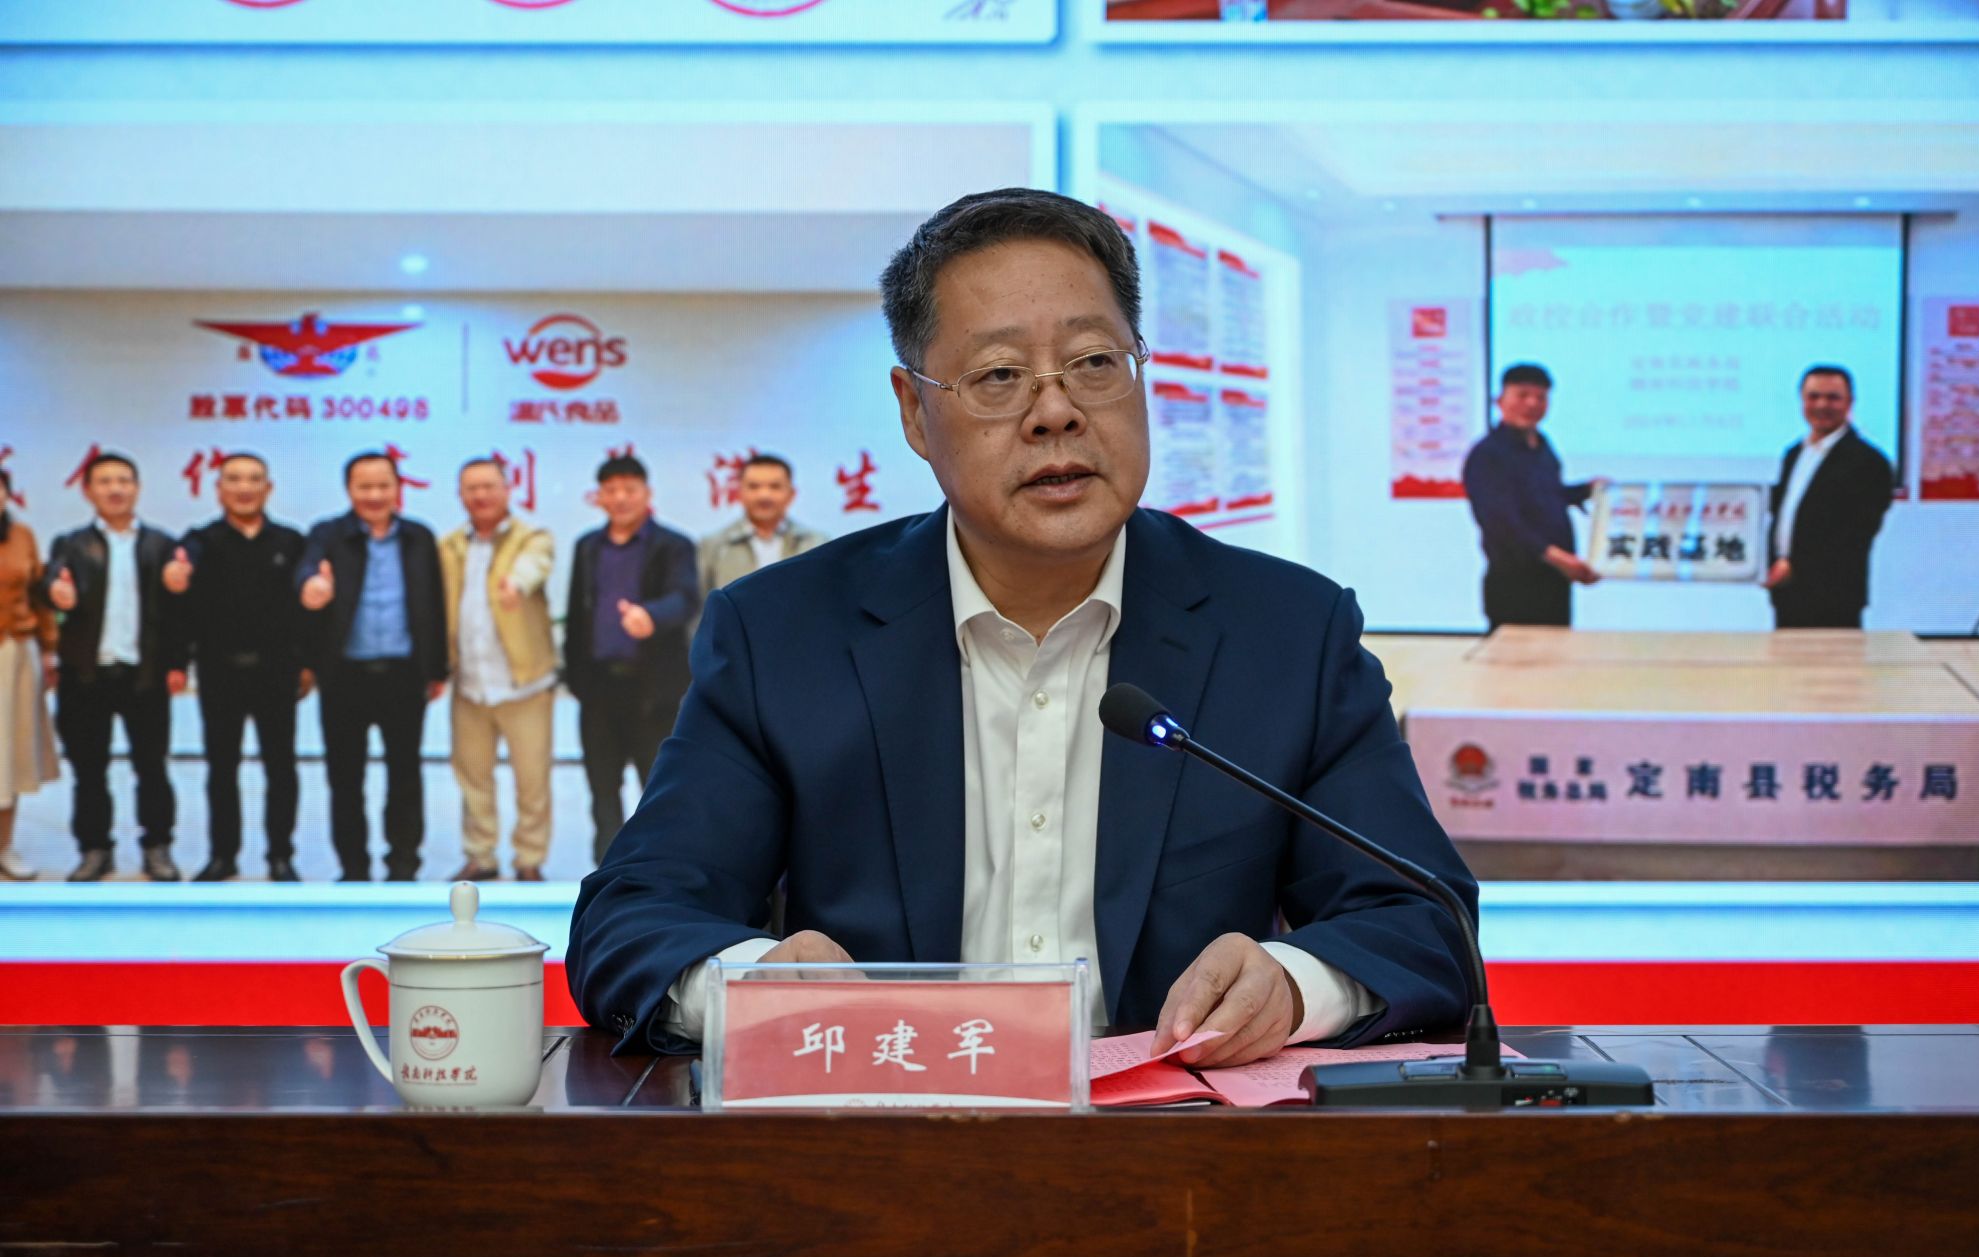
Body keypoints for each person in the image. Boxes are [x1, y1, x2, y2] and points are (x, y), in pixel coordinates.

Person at [569, 188, 1478, 1064]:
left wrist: (1292, 985)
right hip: (886, 1133)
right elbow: (634, 918)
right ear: (914, 411)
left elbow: (1423, 921)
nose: (1057, 412)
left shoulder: (1287, 634)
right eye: (1000, 376)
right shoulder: (783, 635)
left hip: (1174, 1147)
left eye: (1094, 363)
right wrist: (756, 981)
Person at [298, 450, 447, 882]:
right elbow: (307, 570)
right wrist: (312, 585)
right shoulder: (328, 534)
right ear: (349, 490)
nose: (375, 495)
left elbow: (434, 603)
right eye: (365, 487)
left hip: (404, 674)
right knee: (345, 778)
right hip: (344, 675)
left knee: (406, 774)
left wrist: (437, 669)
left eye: (383, 486)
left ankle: (403, 865)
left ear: (398, 488)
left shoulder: (419, 537)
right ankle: (353, 868)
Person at [164, 452, 311, 883]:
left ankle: (280, 856)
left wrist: (307, 664)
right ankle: (222, 855)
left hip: (276, 672)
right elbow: (180, 610)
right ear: (219, 489)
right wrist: (177, 662)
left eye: (253, 479)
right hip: (220, 672)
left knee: (281, 767)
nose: (244, 487)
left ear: (269, 488)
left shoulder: (291, 542)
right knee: (221, 768)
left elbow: (305, 613)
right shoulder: (200, 541)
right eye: (234, 479)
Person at [39, 452, 182, 882]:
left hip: (144, 674)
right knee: (89, 772)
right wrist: (55, 594)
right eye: (104, 482)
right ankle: (95, 850)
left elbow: (178, 614)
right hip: (85, 675)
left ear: (137, 488)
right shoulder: (70, 544)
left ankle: (157, 848)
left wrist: (177, 663)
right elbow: (49, 586)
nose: (115, 489)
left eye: (123, 480)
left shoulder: (161, 544)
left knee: (152, 769)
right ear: (88, 491)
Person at [562, 453, 700, 865]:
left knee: (658, 788)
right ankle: (607, 872)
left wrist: (651, 616)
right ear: (599, 497)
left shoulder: (673, 545)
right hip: (599, 689)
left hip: (653, 690)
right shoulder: (587, 546)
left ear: (647, 493)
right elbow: (576, 614)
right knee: (602, 788)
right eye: (611, 490)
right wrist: (575, 679)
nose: (620, 498)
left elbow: (685, 598)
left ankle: (662, 870)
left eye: (629, 489)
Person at [439, 458, 557, 883]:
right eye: (471, 488)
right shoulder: (449, 546)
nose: (481, 495)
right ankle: (481, 856)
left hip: (525, 685)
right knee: (473, 779)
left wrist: (516, 585)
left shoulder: (532, 537)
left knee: (532, 781)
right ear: (460, 495)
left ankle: (529, 859)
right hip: (469, 684)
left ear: (508, 490)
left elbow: (535, 564)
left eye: (489, 486)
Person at [1461, 363, 1603, 631]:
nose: (1532, 404)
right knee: (1514, 656)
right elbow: (1501, 522)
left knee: (1556, 652)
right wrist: (1556, 557)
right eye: (1522, 395)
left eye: (1541, 397)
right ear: (1500, 401)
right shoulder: (1488, 455)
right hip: (1514, 582)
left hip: (1554, 579)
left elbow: (1547, 496)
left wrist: (1587, 490)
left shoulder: (1542, 445)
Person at [1764, 365, 1894, 630]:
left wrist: (1795, 566)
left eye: (1833, 398)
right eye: (1813, 397)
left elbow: (1854, 535)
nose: (1822, 405)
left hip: (1834, 597)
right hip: (1786, 594)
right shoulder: (1794, 454)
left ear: (1849, 403)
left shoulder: (1869, 462)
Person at [0, 466, 60, 879]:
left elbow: (39, 596)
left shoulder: (22, 536)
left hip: (15, 654)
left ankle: (3, 846)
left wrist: (50, 648)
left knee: (10, 755)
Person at [699, 452, 830, 593]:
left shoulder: (816, 543)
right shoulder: (714, 546)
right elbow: (701, 602)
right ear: (739, 493)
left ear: (792, 494)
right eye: (754, 486)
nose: (764, 495)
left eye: (775, 486)